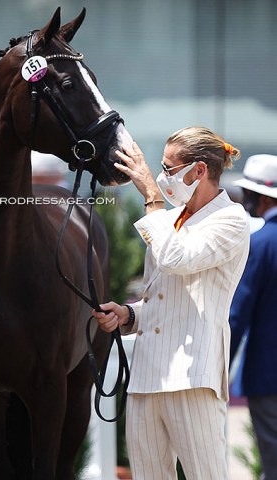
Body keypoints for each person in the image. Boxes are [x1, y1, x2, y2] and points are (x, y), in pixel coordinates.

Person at [92, 126, 250, 480]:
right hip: (147, 376)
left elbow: (177, 259)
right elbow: (169, 296)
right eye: (160, 169)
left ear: (199, 170)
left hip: (193, 377)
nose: (162, 178)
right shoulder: (172, 219)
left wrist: (151, 196)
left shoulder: (231, 220)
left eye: (169, 168)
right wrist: (129, 314)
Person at [229, 154, 277, 480]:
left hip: (269, 376)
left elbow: (237, 315)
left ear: (261, 197)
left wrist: (217, 366)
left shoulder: (259, 245)